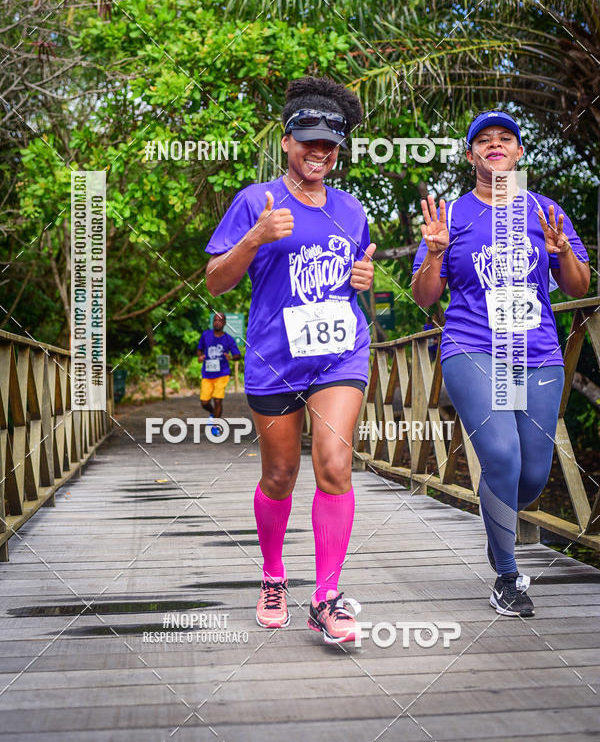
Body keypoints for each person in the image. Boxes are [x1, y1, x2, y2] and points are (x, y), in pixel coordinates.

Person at [204, 76, 375, 644]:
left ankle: (326, 597)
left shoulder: (351, 210)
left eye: (330, 145)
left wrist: (364, 278)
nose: (319, 153)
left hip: (339, 356)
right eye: (308, 143)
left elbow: (354, 277)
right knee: (279, 476)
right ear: (286, 142)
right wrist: (254, 237)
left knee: (334, 465)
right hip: (275, 357)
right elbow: (216, 282)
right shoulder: (256, 201)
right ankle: (274, 576)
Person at [411, 110, 590, 617]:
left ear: (519, 152)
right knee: (503, 457)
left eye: (505, 138)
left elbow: (578, 286)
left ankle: (499, 525)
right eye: (484, 140)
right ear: (470, 155)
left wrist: (562, 253)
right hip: (475, 348)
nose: (495, 145)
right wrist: (434, 254)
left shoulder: (544, 210)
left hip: (537, 353)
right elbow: (425, 296)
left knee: (530, 476)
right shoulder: (452, 215)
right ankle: (508, 577)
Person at [197, 312, 241, 426]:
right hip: (207, 374)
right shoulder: (206, 335)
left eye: (220, 320)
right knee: (204, 402)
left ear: (224, 323)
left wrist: (231, 357)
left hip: (222, 373)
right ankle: (213, 413)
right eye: (215, 320)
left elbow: (238, 355)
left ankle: (215, 425)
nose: (217, 323)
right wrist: (200, 356)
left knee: (217, 400)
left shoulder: (228, 339)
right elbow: (199, 349)